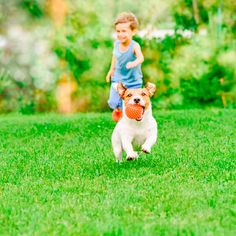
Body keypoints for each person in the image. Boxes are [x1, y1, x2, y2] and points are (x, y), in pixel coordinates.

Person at [106, 12, 144, 122]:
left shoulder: (134, 46)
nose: (120, 34)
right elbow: (115, 56)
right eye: (118, 31)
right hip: (118, 79)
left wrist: (134, 63)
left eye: (124, 31)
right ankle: (118, 109)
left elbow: (141, 57)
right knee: (112, 102)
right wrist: (111, 70)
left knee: (130, 104)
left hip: (133, 81)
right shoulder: (116, 44)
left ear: (133, 31)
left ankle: (129, 119)